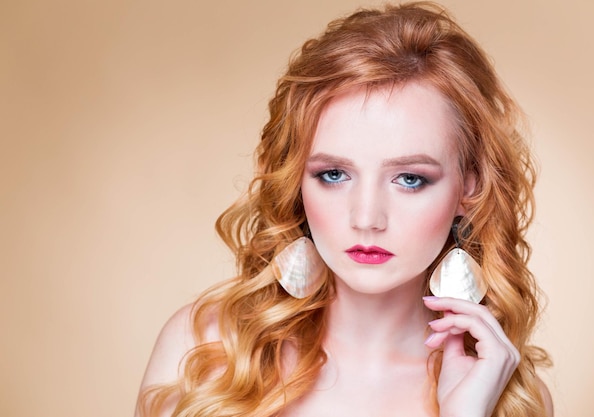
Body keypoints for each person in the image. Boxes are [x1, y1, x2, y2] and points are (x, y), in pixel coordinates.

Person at [135, 2, 553, 416]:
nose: (367, 218)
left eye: (410, 178)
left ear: (470, 187)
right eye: (334, 174)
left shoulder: (506, 397)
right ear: (296, 180)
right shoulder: (204, 350)